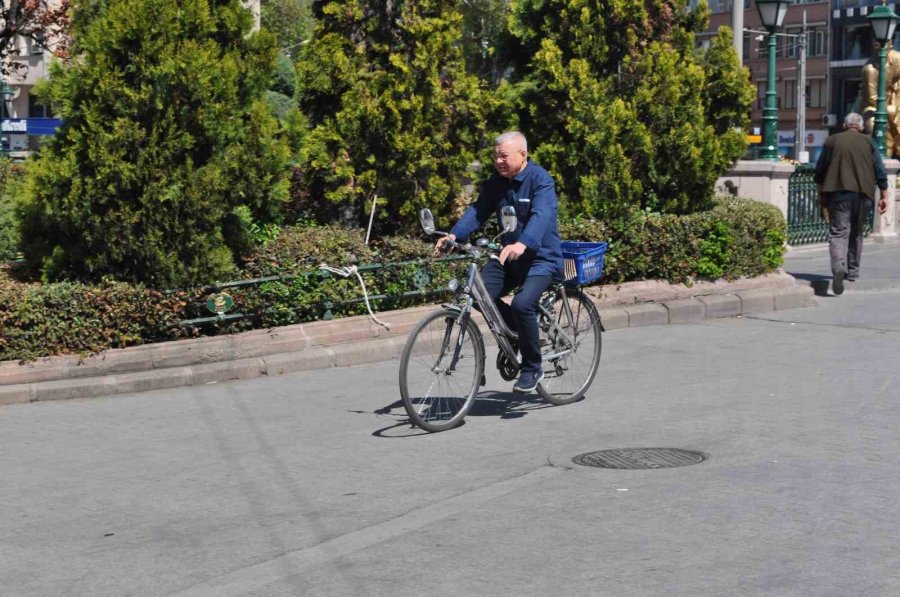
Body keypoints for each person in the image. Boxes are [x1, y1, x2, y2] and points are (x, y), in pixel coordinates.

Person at [435, 131, 564, 393]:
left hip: (541, 259)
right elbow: (478, 210)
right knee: (478, 294)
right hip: (509, 256)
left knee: (522, 304)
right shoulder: (497, 182)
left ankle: (532, 367)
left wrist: (523, 243)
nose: (498, 161)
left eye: (504, 156)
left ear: (522, 155)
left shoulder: (541, 180)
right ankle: (519, 333)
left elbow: (541, 215)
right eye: (496, 156)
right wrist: (454, 235)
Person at [814, 112, 889, 296]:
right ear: (861, 127)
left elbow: (820, 172)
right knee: (856, 232)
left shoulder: (832, 141)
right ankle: (852, 271)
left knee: (839, 233)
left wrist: (820, 193)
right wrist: (884, 195)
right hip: (864, 194)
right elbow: (880, 170)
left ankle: (838, 266)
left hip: (838, 194)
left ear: (844, 125)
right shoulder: (869, 141)